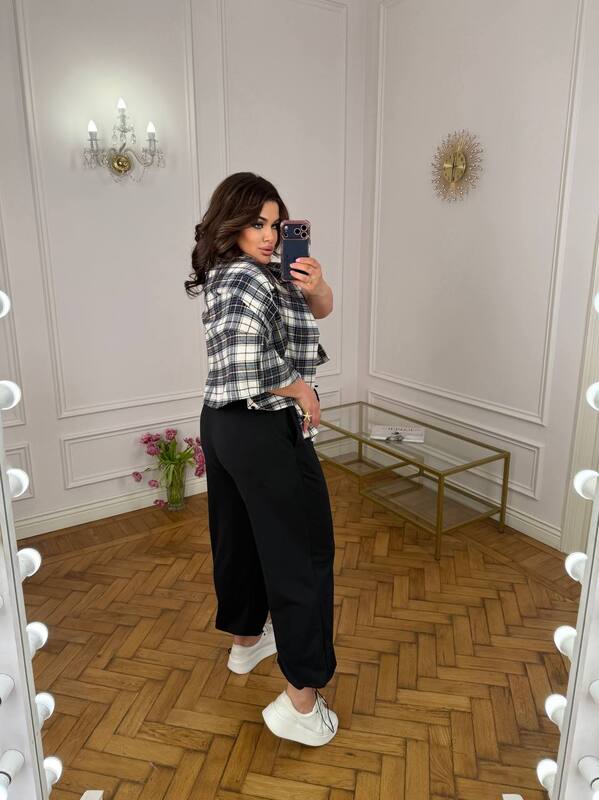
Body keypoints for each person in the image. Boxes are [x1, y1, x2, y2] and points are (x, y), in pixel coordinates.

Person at [185, 172, 338, 746]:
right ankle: (301, 702)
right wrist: (301, 390)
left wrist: (317, 284)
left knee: (240, 537)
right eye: (257, 223)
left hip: (222, 422)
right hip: (261, 425)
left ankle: (247, 642)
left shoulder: (238, 272)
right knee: (304, 552)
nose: (270, 235)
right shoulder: (249, 276)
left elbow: (320, 309)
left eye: (275, 224)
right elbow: (250, 358)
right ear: (233, 222)